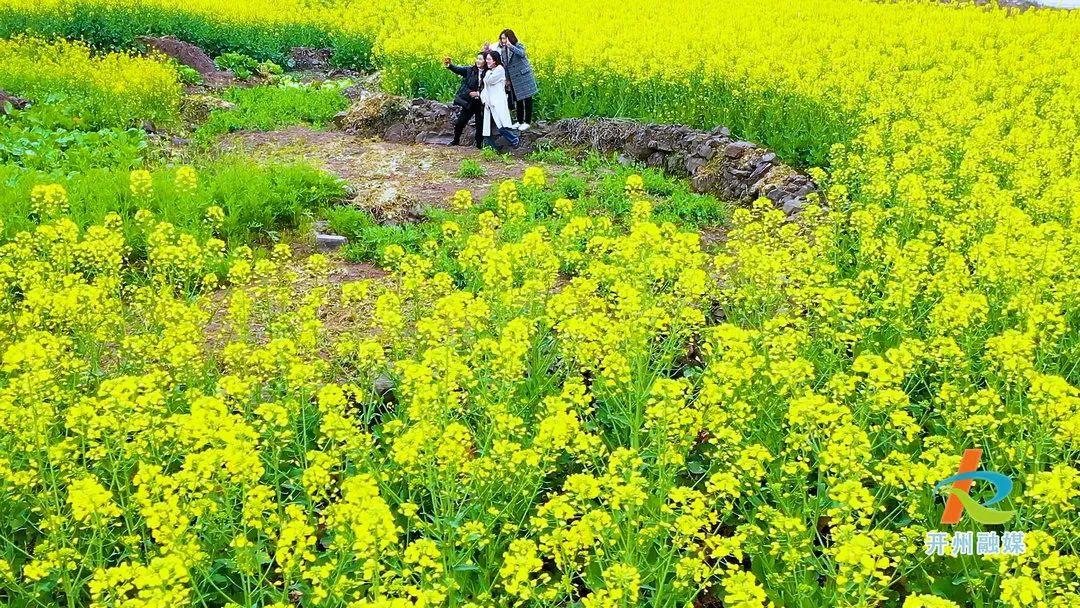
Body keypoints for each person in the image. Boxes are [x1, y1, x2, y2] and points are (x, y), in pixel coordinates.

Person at [498, 29, 537, 131]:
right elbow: (505, 66)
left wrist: (511, 46)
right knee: (518, 100)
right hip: (514, 79)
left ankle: (527, 122)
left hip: (523, 76)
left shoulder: (518, 45)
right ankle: (519, 121)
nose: (503, 41)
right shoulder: (503, 50)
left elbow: (522, 54)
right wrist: (507, 79)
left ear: (510, 38)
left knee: (528, 100)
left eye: (504, 38)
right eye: (501, 39)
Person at [443, 53, 485, 148]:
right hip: (469, 102)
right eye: (477, 59)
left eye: (481, 59)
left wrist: (479, 93)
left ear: (485, 61)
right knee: (460, 123)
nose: (478, 61)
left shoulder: (488, 72)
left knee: (480, 125)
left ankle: (479, 145)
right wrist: (449, 65)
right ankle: (456, 140)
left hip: (481, 103)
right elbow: (457, 69)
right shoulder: (469, 70)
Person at [479, 52, 519, 149]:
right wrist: (484, 100)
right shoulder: (490, 71)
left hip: (498, 101)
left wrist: (487, 74)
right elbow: (485, 89)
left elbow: (490, 81)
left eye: (489, 59)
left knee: (502, 125)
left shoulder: (500, 69)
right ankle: (492, 148)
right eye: (486, 59)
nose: (487, 61)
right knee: (488, 128)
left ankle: (514, 139)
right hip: (490, 103)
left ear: (495, 60)